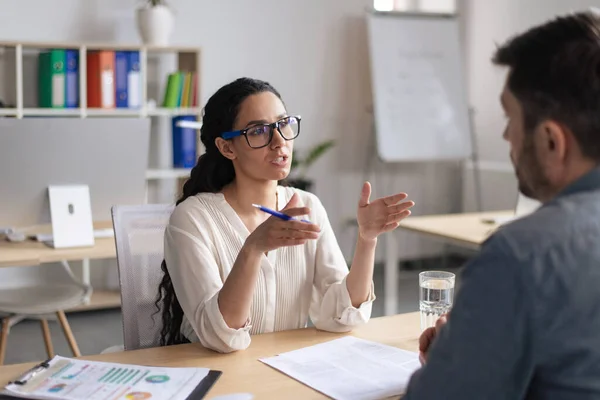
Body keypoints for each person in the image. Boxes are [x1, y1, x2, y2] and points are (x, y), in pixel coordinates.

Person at [404, 10, 600, 399]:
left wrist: (459, 354)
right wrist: (476, 340)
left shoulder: (522, 254)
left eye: (510, 118)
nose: (507, 135)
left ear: (550, 141)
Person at [155, 77, 414, 353]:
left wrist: (367, 239)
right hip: (215, 374)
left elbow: (341, 316)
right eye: (258, 131)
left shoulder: (307, 206)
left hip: (284, 369)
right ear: (227, 147)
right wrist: (253, 248)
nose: (279, 142)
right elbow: (221, 337)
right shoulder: (192, 219)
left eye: (283, 124)